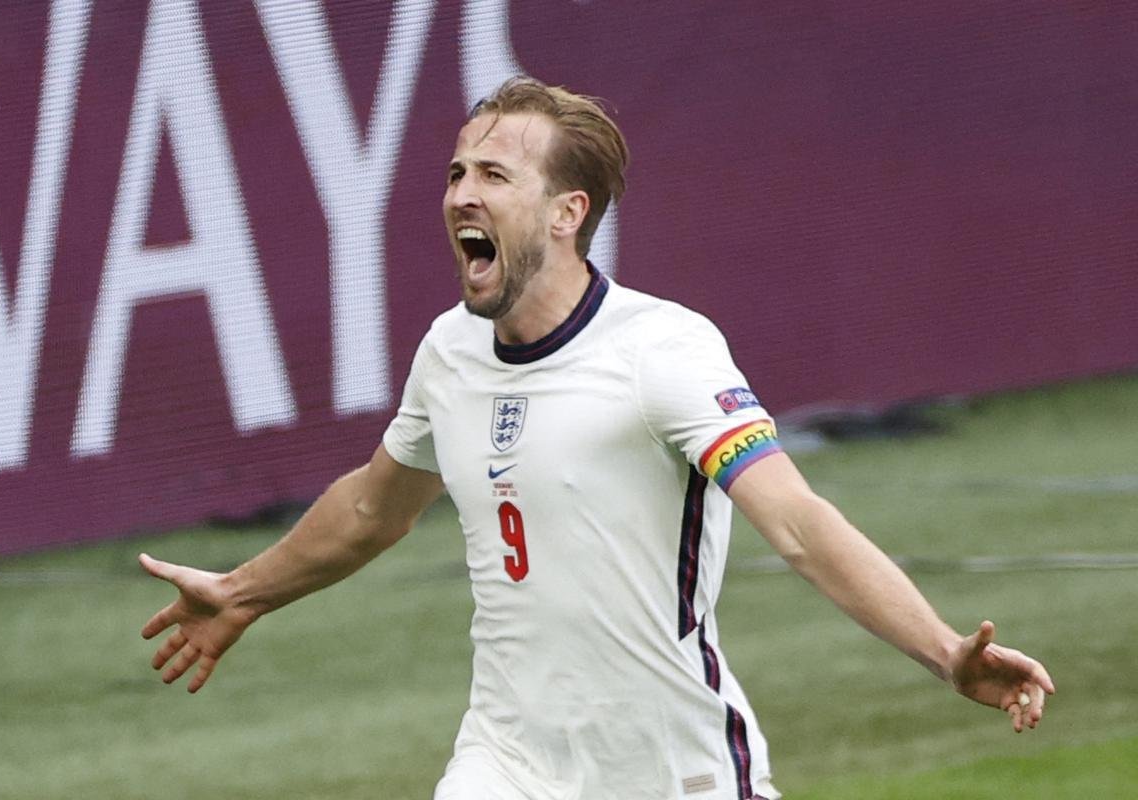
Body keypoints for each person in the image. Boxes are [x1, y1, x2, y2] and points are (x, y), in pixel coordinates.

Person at [139, 77, 1055, 800]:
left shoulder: (663, 352)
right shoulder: (450, 352)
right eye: (457, 173)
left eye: (494, 176)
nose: (462, 194)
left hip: (675, 772)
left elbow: (799, 526)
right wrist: (244, 591)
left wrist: (945, 652)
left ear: (566, 212)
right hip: (506, 763)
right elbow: (373, 508)